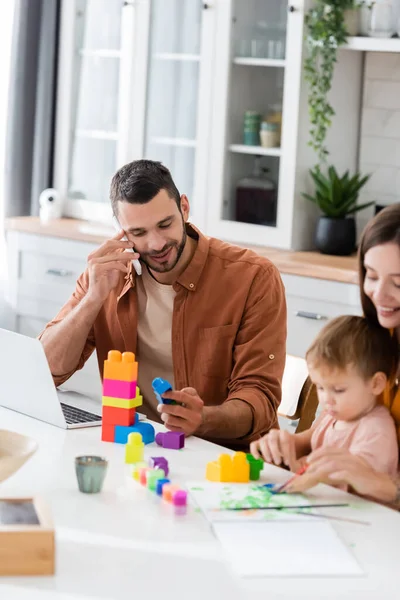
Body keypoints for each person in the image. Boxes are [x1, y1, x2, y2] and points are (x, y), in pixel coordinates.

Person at [39, 160, 287, 448]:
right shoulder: (107, 274)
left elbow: (259, 398)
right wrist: (93, 298)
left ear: (184, 207)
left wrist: (203, 417)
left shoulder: (252, 277)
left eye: (165, 224)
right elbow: (45, 372)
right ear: (121, 231)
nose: (156, 244)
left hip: (222, 455)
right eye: (139, 233)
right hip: (138, 448)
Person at [280, 204, 400, 503]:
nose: (379, 295)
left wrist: (375, 482)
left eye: (398, 282)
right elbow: (338, 427)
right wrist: (291, 444)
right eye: (371, 276)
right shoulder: (380, 337)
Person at [250, 315, 399, 487]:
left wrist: (302, 470)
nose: (326, 400)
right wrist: (283, 451)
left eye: (338, 390)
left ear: (376, 384)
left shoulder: (375, 431)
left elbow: (357, 487)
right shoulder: (334, 416)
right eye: (320, 387)